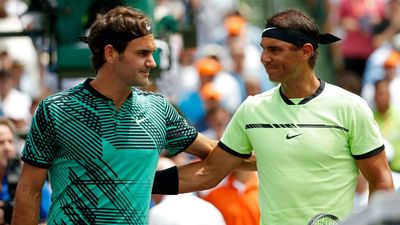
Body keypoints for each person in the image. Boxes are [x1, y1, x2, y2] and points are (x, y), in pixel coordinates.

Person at [164, 9, 394, 225]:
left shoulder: (350, 107)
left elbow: (381, 180)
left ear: (305, 51)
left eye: (274, 50)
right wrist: (141, 182)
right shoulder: (252, 109)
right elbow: (209, 172)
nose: (264, 58)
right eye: (263, 49)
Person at [11, 6, 222, 225]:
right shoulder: (54, 110)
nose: (152, 62)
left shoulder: (158, 108)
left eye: (152, 53)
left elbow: (215, 154)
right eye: (142, 53)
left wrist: (149, 182)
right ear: (110, 53)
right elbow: (30, 190)